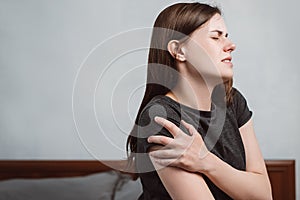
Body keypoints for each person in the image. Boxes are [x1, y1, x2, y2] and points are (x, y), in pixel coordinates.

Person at [126, 2, 272, 200]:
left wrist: (205, 161)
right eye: (215, 37)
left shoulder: (233, 101)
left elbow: (263, 195)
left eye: (226, 36)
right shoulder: (161, 117)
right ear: (179, 51)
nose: (230, 45)